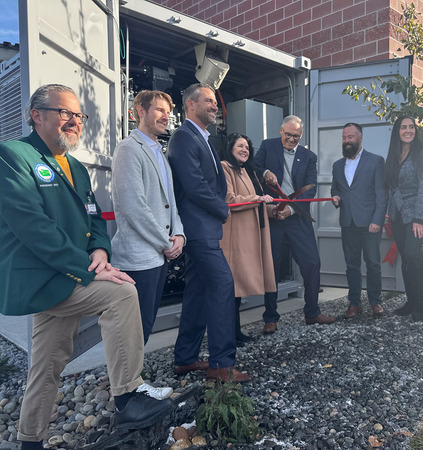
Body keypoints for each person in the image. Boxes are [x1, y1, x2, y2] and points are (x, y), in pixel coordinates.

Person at [0, 84, 172, 450]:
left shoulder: (75, 167)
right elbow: (33, 227)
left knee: (46, 366)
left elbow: (94, 217)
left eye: (79, 116)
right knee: (123, 293)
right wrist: (89, 268)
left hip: (70, 275)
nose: (74, 122)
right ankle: (128, 397)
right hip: (44, 279)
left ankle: (29, 441)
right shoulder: (13, 156)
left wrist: (100, 252)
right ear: (37, 115)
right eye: (65, 113)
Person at [167, 83, 251, 383]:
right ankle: (221, 365)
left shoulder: (201, 138)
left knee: (198, 293)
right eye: (208, 101)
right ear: (190, 104)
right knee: (223, 284)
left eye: (215, 102)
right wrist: (223, 209)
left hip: (203, 228)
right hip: (198, 228)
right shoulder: (184, 137)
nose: (215, 106)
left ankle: (185, 358)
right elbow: (194, 185)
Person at [111, 90, 185, 346]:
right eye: (160, 110)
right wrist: (165, 242)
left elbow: (171, 201)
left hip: (158, 254)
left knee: (146, 322)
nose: (166, 116)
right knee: (134, 326)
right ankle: (125, 383)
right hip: (138, 259)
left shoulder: (159, 153)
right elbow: (134, 207)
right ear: (139, 111)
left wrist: (180, 235)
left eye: (168, 111)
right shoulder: (128, 149)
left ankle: (131, 378)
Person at [254, 115, 335, 333]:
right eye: (288, 135)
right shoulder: (267, 146)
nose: (291, 139)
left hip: (297, 216)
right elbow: (253, 167)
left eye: (296, 136)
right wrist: (264, 172)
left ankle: (312, 312)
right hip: (273, 216)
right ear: (281, 131)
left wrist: (290, 209)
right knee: (272, 267)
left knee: (312, 263)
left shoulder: (309, 156)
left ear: (301, 136)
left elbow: (310, 188)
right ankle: (270, 317)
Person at [220, 133, 277, 346]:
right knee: (233, 288)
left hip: (252, 234)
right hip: (236, 236)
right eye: (240, 146)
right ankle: (230, 335)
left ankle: (236, 332)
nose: (245, 149)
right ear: (230, 147)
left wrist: (273, 210)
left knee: (238, 290)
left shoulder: (247, 170)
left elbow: (258, 202)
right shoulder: (224, 167)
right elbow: (229, 200)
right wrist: (258, 199)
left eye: (247, 146)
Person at [331, 123, 386, 318]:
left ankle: (375, 302)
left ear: (360, 137)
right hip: (348, 223)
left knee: (373, 264)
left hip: (370, 223)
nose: (347, 141)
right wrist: (335, 197)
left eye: (351, 137)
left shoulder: (376, 161)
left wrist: (377, 220)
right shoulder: (337, 165)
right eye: (344, 137)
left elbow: (381, 193)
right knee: (351, 266)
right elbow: (335, 188)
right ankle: (354, 304)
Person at [383, 116, 423, 322]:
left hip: (416, 215)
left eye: (411, 127)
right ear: (397, 131)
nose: (408, 130)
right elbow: (390, 186)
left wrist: (419, 219)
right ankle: (410, 301)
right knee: (405, 258)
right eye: (403, 127)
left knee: (413, 256)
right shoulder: (394, 155)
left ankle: (419, 307)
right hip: (397, 214)